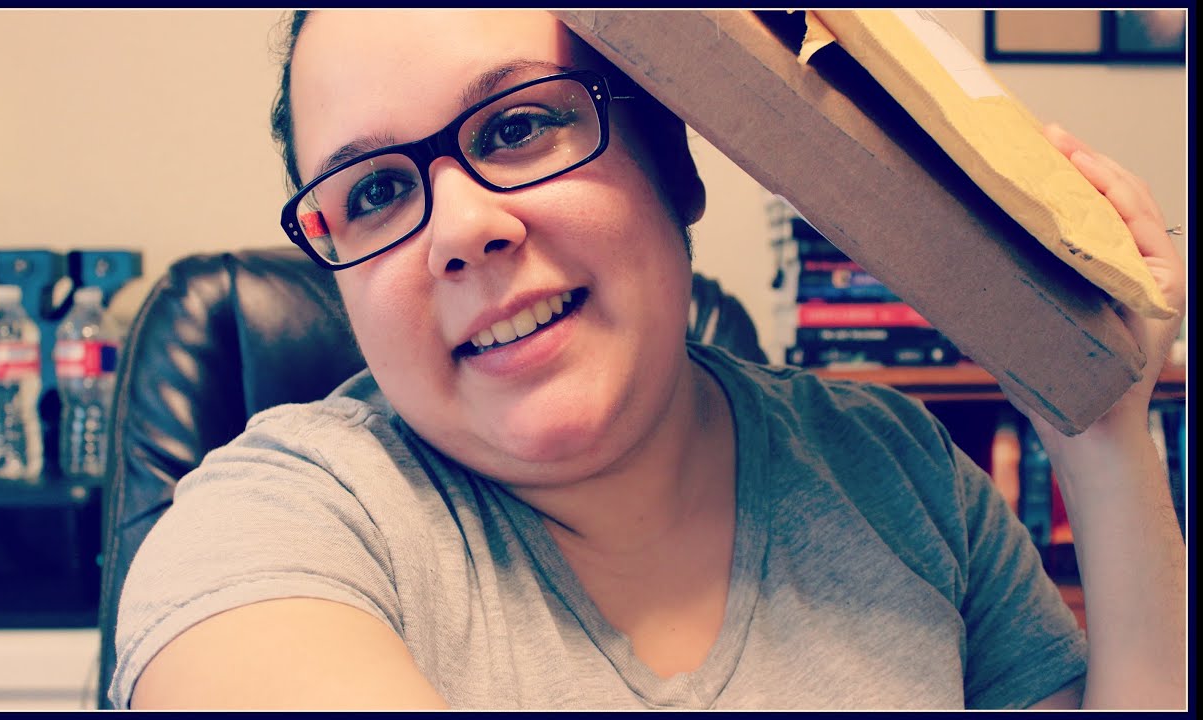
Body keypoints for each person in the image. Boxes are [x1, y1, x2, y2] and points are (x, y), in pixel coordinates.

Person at [110, 10, 1185, 710]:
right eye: (377, 192)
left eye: (517, 126)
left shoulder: (902, 474)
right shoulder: (269, 523)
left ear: (675, 166)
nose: (462, 230)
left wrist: (1104, 437)